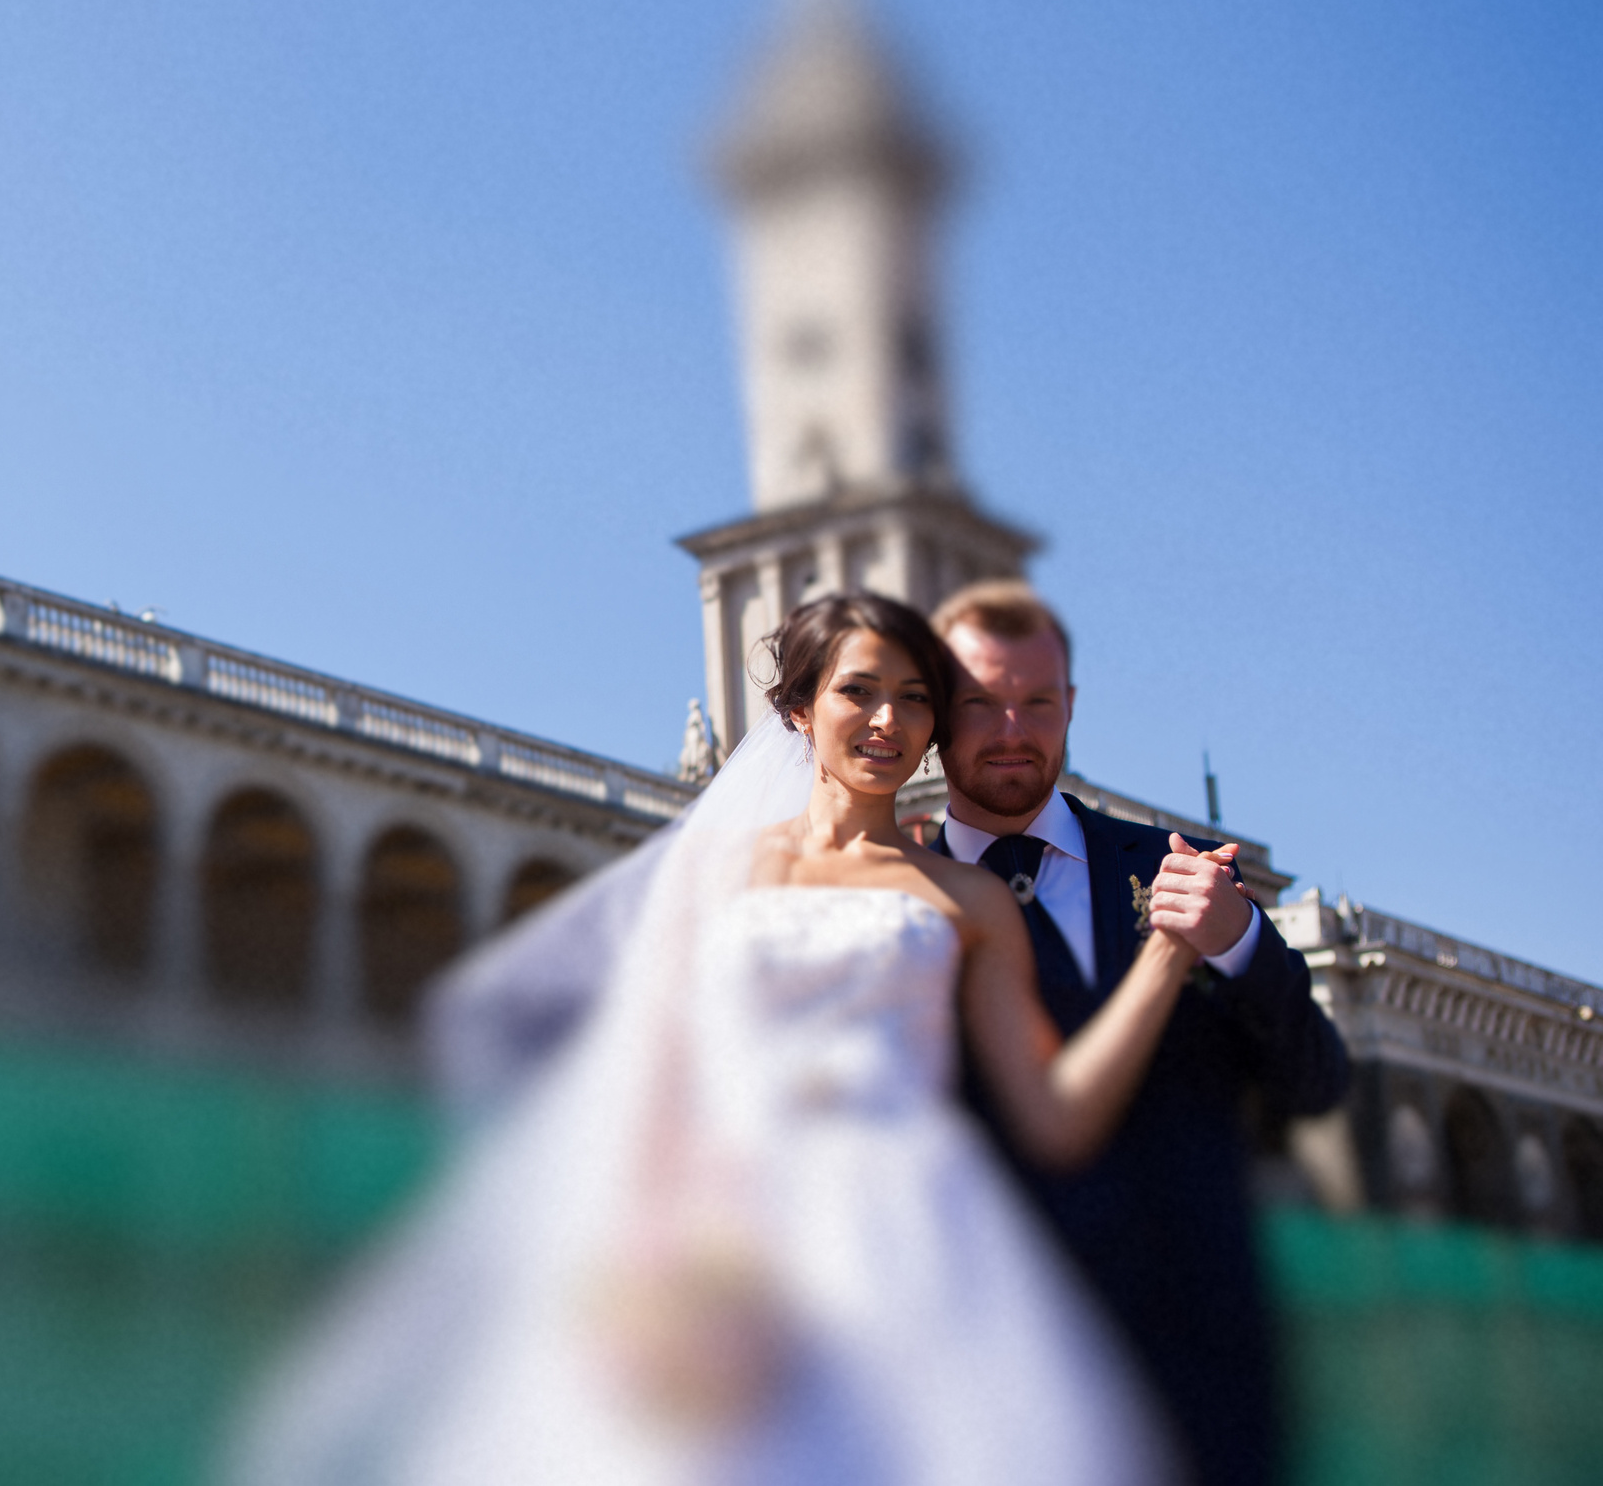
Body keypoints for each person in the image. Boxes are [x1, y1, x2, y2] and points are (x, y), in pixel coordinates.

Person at [231, 593, 1243, 1485]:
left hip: (907, 1236)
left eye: (915, 697)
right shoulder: (713, 868)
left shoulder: (971, 898)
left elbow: (1052, 1118)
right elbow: (656, 1077)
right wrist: (645, 1262)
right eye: (859, 691)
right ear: (800, 710)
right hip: (733, 1222)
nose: (888, 721)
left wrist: (1165, 959)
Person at [928, 581, 1348, 1486]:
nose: (1011, 727)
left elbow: (1314, 1081)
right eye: (979, 701)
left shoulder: (1179, 871)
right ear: (934, 709)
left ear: (1070, 705)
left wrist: (1236, 942)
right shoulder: (896, 900)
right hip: (980, 1399)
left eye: (1036, 701)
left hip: (1198, 1394)